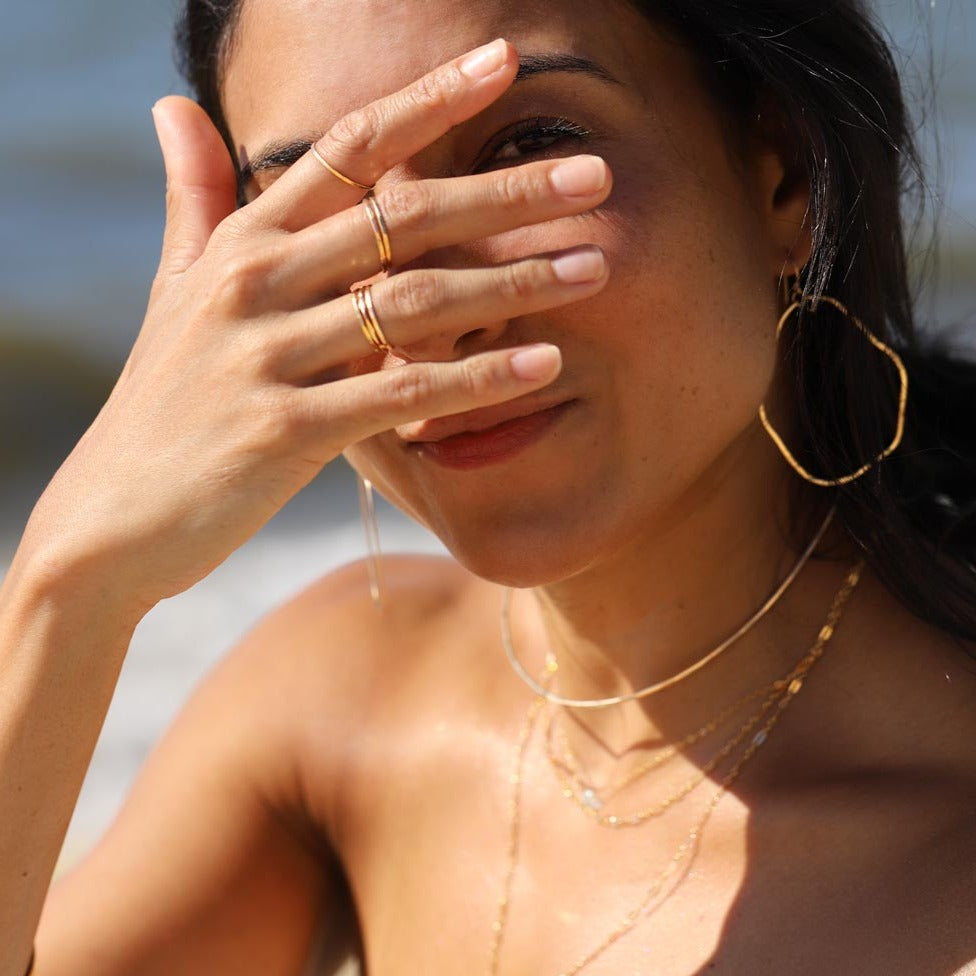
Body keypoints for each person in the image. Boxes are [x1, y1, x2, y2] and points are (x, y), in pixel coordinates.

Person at [2, 0, 975, 972]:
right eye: (325, 207)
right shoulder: (335, 714)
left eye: (527, 149)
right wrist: (71, 586)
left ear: (783, 175)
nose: (421, 320)